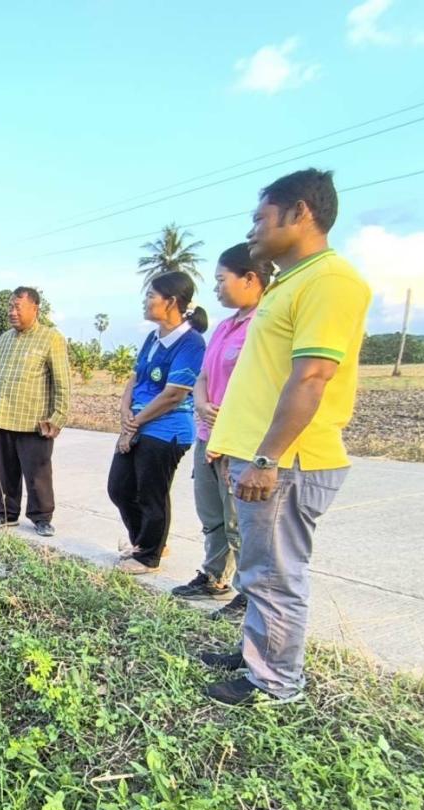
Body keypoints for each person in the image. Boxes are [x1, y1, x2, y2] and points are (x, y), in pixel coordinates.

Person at [202, 168, 371, 707]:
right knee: (258, 568)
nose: (252, 231)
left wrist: (267, 457)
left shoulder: (331, 281)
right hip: (258, 456)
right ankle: (258, 653)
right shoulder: (289, 283)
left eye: (259, 219)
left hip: (286, 460)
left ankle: (275, 683)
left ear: (300, 213)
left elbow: (312, 377)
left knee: (275, 573)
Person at [172, 243, 273, 619]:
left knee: (239, 521)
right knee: (211, 512)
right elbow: (204, 375)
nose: (215, 288)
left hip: (239, 439)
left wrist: (226, 432)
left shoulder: (266, 323)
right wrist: (199, 402)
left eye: (220, 280)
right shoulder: (226, 326)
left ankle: (250, 593)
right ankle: (214, 577)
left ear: (250, 278)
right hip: (206, 432)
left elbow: (260, 387)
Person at [108, 272, 208, 574]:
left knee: (151, 493)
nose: (146, 300)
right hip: (138, 423)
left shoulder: (191, 343)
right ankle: (144, 542)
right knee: (120, 488)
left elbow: (174, 395)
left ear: (172, 302)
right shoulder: (153, 338)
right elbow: (135, 377)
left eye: (151, 295)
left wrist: (134, 424)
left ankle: (149, 556)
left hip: (166, 430)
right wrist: (126, 412)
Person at [0, 286, 71, 536]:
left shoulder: (51, 338)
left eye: (17, 307)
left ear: (34, 308)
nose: (11, 311)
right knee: (5, 470)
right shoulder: (3, 340)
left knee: (38, 473)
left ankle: (41, 517)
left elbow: (62, 382)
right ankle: (6, 513)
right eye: (10, 306)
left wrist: (58, 417)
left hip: (35, 421)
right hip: (6, 417)